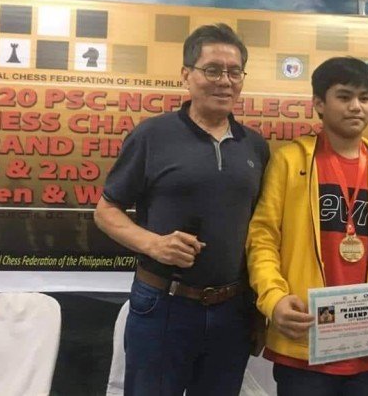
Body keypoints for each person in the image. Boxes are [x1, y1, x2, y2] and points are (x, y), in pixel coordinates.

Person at [94, 23, 270, 396]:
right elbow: (105, 210)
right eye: (212, 70)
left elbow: (261, 233)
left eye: (234, 72)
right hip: (163, 305)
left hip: (232, 310)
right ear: (186, 75)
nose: (225, 80)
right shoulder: (152, 135)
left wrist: (256, 310)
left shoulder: (254, 146)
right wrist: (153, 244)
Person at [246, 56, 368, 396]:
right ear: (318, 104)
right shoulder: (289, 160)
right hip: (306, 339)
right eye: (344, 96)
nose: (356, 106)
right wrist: (275, 299)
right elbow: (263, 237)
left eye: (365, 97)